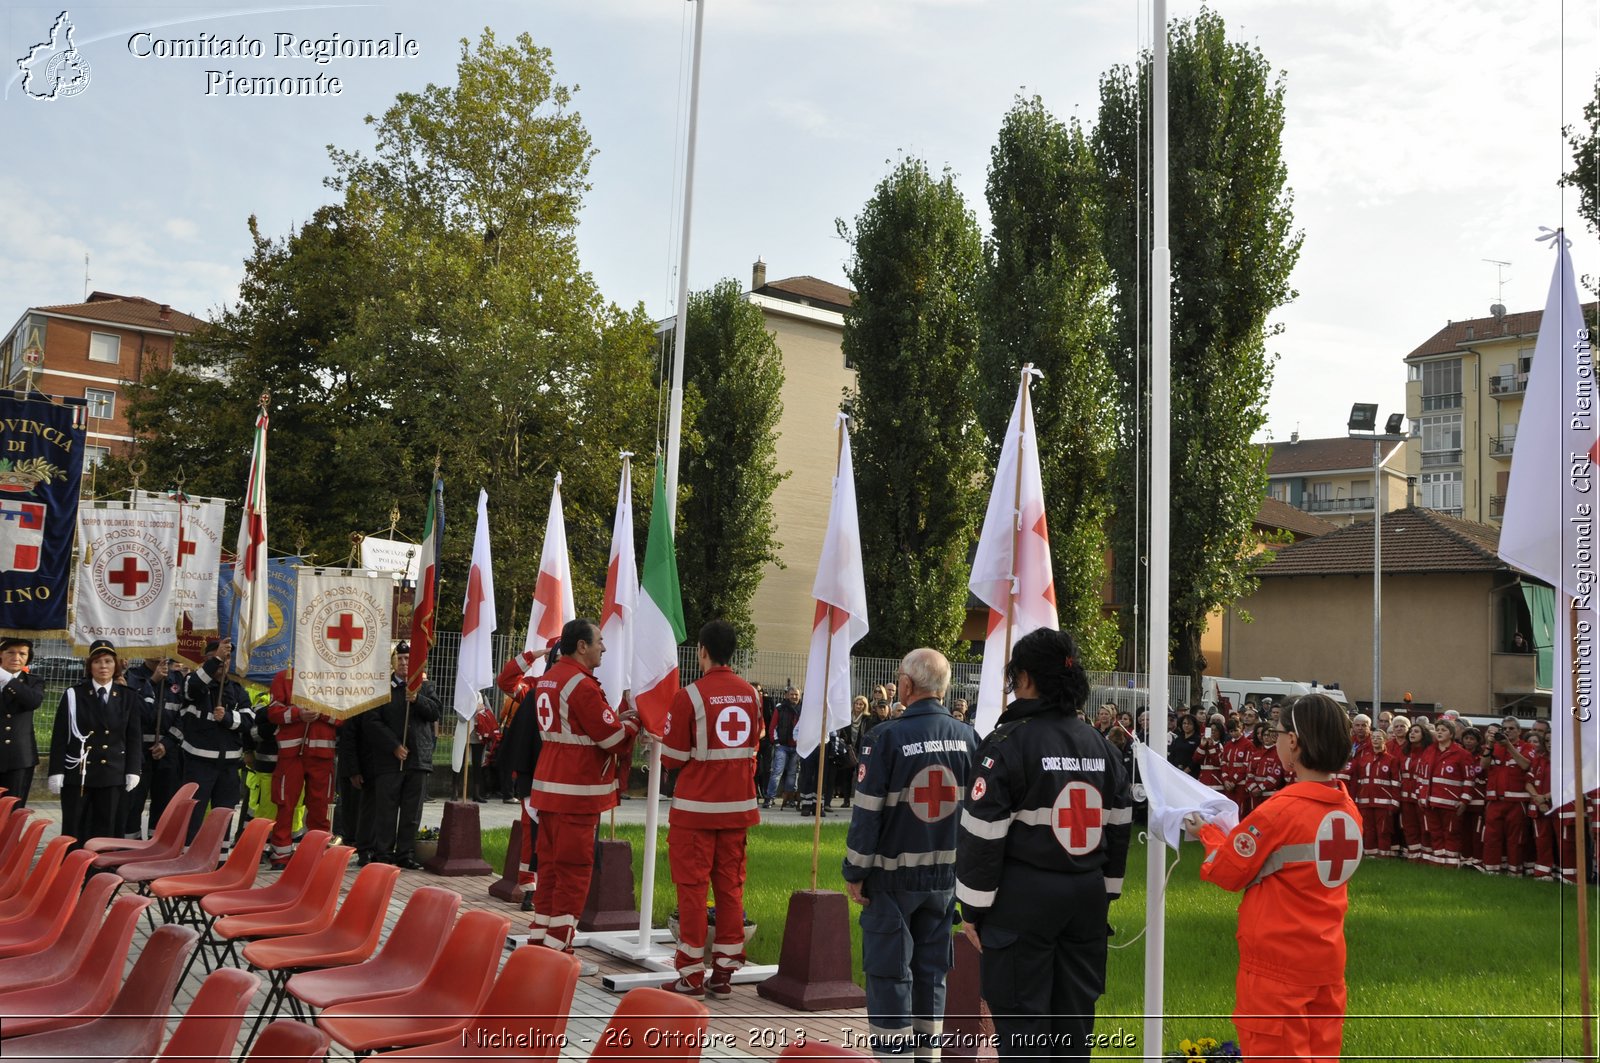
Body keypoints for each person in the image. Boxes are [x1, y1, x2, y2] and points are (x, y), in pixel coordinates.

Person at [956, 628, 1131, 1062]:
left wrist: (973, 911)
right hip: (1086, 900)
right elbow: (1120, 827)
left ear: (1026, 679)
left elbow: (983, 833)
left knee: (1023, 1031)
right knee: (1074, 1029)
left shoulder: (1006, 743)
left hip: (1023, 904)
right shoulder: (1102, 747)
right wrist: (1104, 893)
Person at [1185, 692, 1362, 1063]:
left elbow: (1228, 871)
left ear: (1294, 742)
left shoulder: (1281, 810)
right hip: (1326, 963)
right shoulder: (1349, 809)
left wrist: (1207, 832)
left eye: (1277, 732)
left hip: (1276, 970)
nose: (1275, 739)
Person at [844, 648, 975, 1060]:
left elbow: (867, 816)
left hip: (891, 881)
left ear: (905, 685)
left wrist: (855, 871)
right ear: (944, 688)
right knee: (932, 974)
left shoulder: (884, 738)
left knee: (888, 975)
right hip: (944, 884)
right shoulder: (970, 739)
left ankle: (892, 1058)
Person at [526, 618, 642, 960]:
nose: (604, 648)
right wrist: (634, 721)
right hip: (576, 792)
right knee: (574, 870)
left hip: (548, 788)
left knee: (548, 866)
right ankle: (559, 946)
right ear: (581, 646)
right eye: (599, 642)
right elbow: (613, 738)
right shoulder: (580, 684)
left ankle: (541, 936)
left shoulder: (549, 679)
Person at [658, 620, 762, 997]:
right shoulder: (752, 695)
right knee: (730, 890)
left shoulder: (690, 696)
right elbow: (753, 745)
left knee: (692, 890)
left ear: (701, 650)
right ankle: (724, 976)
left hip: (694, 811)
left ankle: (690, 975)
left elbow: (671, 757)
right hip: (737, 810)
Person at [47, 639, 142, 845]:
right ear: (89, 666)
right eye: (97, 662)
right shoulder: (74, 694)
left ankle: (103, 873)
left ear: (116, 665)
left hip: (112, 773)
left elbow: (134, 737)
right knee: (75, 826)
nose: (103, 666)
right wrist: (56, 770)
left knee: (107, 827)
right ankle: (73, 872)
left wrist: (133, 770)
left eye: (108, 661)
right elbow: (60, 735)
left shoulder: (128, 697)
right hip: (79, 773)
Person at [360, 641, 441, 869]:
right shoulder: (383, 689)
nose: (405, 663)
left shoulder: (425, 687)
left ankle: (405, 853)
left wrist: (417, 699)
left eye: (409, 659)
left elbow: (435, 711)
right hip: (390, 760)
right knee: (386, 809)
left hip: (418, 759)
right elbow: (372, 721)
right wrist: (393, 745)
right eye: (401, 659)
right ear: (393, 662)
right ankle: (383, 853)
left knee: (412, 811)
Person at [178, 636, 254, 844]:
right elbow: (192, 687)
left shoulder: (238, 691)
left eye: (226, 658)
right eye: (215, 659)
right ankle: (187, 860)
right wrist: (216, 659)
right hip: (199, 765)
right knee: (192, 815)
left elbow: (248, 721)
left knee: (223, 816)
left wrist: (228, 718)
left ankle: (219, 862)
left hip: (229, 767)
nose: (221, 663)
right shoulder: (195, 686)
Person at [266, 669, 339, 868]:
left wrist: (320, 713)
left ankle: (316, 852)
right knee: (285, 803)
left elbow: (344, 715)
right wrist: (299, 714)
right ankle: (280, 855)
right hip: (291, 754)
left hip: (321, 754)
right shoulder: (284, 676)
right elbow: (272, 712)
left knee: (320, 806)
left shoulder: (334, 677)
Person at [119, 656, 165, 836]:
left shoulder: (176, 678)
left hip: (167, 752)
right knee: (133, 804)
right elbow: (141, 715)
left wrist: (167, 743)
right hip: (137, 752)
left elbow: (182, 715)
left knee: (164, 804)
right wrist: (152, 682)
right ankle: (129, 849)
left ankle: (158, 848)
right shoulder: (131, 676)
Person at [1480, 718, 1533, 875]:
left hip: (1516, 802)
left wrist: (1509, 747)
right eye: (1505, 728)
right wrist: (1490, 745)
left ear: (1519, 731)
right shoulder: (1494, 747)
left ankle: (1514, 872)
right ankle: (1491, 871)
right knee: (1491, 838)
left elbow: (1526, 765)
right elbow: (1483, 765)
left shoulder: (1526, 747)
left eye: (1511, 728)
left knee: (1515, 840)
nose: (1508, 731)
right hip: (1495, 800)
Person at [1418, 718, 1472, 867]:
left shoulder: (1461, 754)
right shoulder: (1429, 751)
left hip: (1451, 803)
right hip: (1431, 802)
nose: (1439, 733)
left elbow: (1469, 780)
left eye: (1443, 730)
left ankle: (1451, 865)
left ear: (1452, 733)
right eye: (1438, 730)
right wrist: (1421, 796)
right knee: (1435, 833)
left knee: (1451, 834)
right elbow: (1422, 776)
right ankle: (1438, 864)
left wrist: (1464, 801)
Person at [0, 636, 46, 805]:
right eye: (10, 652)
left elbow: (33, 701)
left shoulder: (34, 681)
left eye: (22, 653)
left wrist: (6, 678)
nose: (16, 657)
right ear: (0, 654)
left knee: (14, 810)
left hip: (19, 757)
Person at [763, 687, 801, 808]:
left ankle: (790, 799)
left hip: (797, 747)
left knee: (793, 774)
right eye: (792, 694)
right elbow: (773, 726)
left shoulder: (804, 710)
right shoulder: (780, 708)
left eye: (796, 694)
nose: (794, 697)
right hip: (782, 746)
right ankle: (769, 798)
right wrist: (777, 742)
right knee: (776, 772)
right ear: (787, 695)